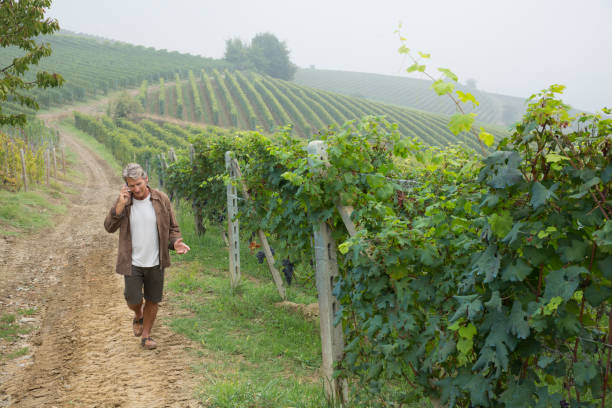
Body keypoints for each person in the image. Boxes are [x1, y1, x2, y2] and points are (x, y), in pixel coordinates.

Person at [104, 163, 190, 350]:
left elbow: (173, 228)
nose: (136, 189)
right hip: (133, 262)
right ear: (126, 186)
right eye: (131, 185)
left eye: (139, 184)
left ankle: (146, 335)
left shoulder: (161, 199)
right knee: (133, 299)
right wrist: (120, 205)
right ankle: (138, 314)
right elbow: (109, 227)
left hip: (156, 261)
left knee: (153, 299)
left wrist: (176, 243)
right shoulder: (125, 202)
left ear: (146, 180)